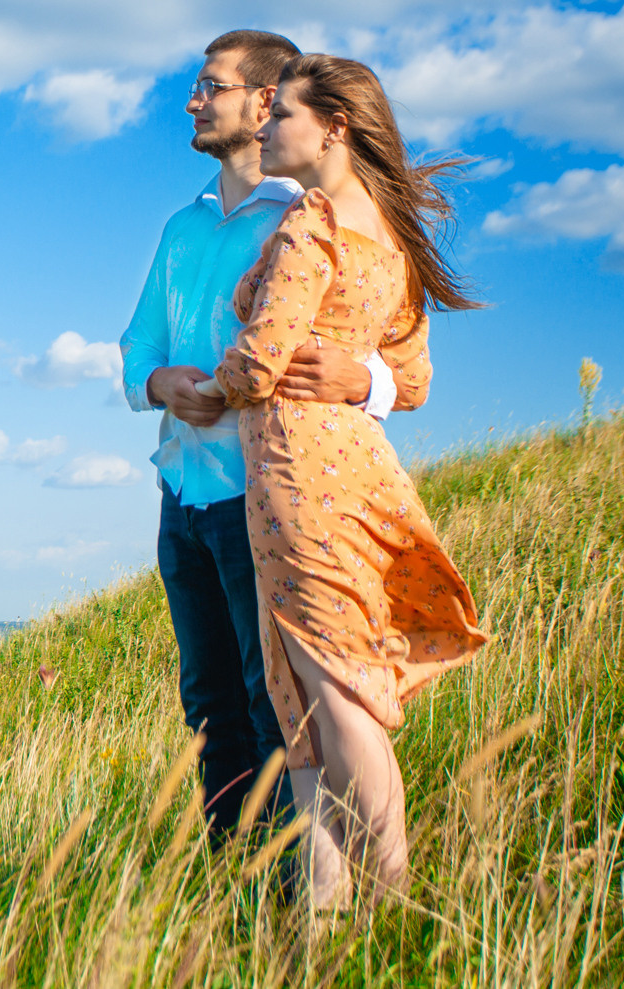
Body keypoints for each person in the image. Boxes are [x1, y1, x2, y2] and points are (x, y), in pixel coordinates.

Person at [203, 53, 488, 909]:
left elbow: (259, 363)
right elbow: (413, 372)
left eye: (281, 112)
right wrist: (362, 376)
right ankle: (322, 931)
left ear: (333, 127)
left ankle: (398, 905)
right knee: (307, 709)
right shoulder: (389, 237)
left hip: (298, 472)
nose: (265, 126)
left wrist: (206, 382)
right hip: (357, 471)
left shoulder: (314, 224)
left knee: (332, 692)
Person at [121, 30, 403, 844]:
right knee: (209, 704)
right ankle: (232, 878)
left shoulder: (310, 216)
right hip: (183, 495)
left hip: (268, 495)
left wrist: (368, 383)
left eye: (211, 85)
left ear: (262, 100)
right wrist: (156, 383)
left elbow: (395, 358)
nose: (192, 100)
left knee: (273, 699)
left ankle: (295, 886)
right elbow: (139, 341)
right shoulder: (183, 226)